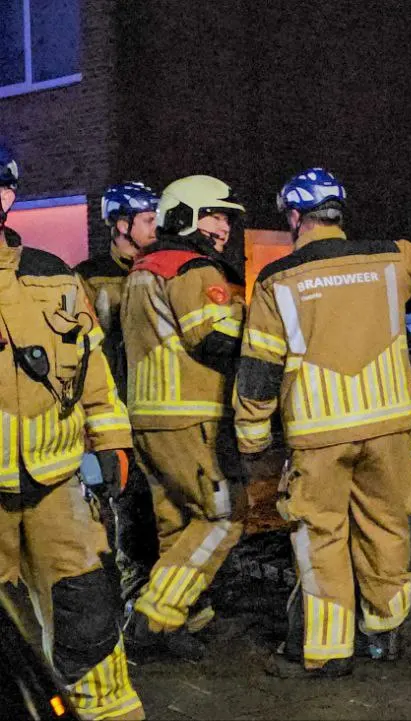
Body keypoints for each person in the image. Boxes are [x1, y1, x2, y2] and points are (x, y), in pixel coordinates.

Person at [234, 168, 411, 677]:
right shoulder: (392, 258)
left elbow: (259, 369)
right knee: (387, 525)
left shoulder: (277, 280)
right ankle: (385, 632)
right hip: (389, 426)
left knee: (321, 534)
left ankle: (331, 651)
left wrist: (251, 440)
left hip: (319, 433)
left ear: (295, 217)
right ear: (338, 213)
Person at [0, 145, 144, 718]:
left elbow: (95, 375)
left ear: (7, 197)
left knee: (89, 620)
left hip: (58, 490)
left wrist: (111, 445)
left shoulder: (54, 277)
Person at [120, 175, 248, 661]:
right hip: (191, 416)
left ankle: (187, 617)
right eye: (215, 215)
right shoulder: (193, 268)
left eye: (228, 218)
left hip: (149, 418)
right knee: (222, 519)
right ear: (186, 215)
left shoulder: (143, 268)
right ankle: (155, 618)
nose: (224, 227)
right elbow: (217, 340)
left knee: (177, 524)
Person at [76, 183, 162, 602]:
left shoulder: (159, 269)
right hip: (112, 411)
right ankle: (129, 595)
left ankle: (156, 594)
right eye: (148, 220)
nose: (156, 227)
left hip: (155, 406)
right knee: (120, 504)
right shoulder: (89, 277)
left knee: (156, 507)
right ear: (122, 224)